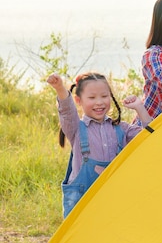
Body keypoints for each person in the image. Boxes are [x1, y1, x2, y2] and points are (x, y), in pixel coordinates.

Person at [47, 72, 152, 217]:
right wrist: (59, 88)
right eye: (92, 97)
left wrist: (139, 107)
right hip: (81, 203)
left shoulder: (121, 128)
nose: (99, 102)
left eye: (104, 96)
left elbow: (151, 137)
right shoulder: (76, 128)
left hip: (113, 201)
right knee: (82, 238)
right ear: (78, 100)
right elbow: (66, 110)